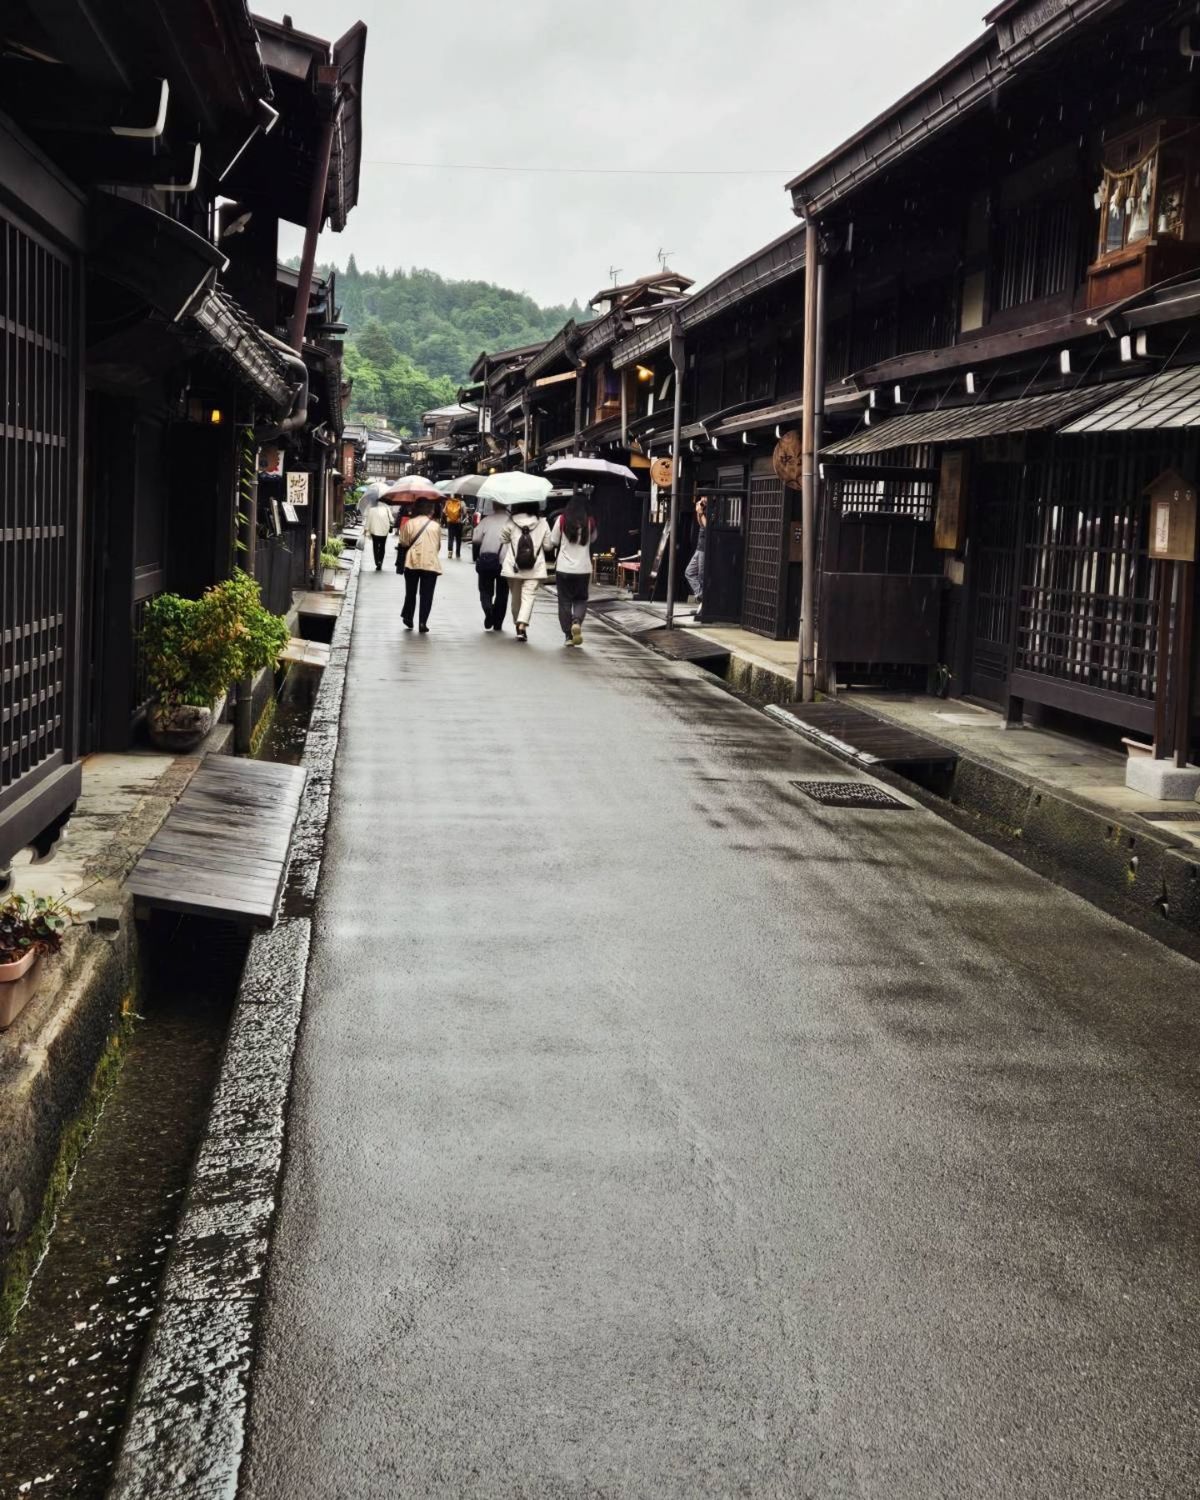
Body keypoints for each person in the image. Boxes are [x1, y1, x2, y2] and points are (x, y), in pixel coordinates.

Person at [500, 504, 552, 642]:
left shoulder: (511, 521)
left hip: (513, 567)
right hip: (535, 568)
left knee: (516, 598)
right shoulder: (542, 523)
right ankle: (522, 625)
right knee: (529, 596)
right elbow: (548, 546)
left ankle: (518, 624)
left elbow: (503, 539)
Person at [549, 496, 596, 647]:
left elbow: (553, 541)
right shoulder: (590, 522)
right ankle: (576, 620)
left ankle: (568, 636)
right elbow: (593, 539)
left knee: (564, 601)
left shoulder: (562, 520)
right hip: (583, 568)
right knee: (581, 599)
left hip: (563, 568)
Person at [397, 500, 442, 632]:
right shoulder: (436, 526)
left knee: (410, 592)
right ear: (430, 510)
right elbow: (438, 546)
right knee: (427, 594)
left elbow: (404, 543)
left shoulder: (409, 523)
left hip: (412, 562)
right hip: (430, 563)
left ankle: (408, 617)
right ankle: (423, 622)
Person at [473, 501, 510, 631]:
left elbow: (476, 538)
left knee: (485, 590)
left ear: (494, 506)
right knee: (502, 593)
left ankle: (488, 609)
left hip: (486, 560)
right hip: (505, 562)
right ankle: (498, 623)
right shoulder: (511, 522)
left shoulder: (486, 520)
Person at [685, 496, 707, 621]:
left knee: (701, 575)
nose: (703, 499)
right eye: (702, 497)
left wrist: (701, 513)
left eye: (704, 497)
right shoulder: (704, 508)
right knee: (689, 572)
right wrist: (699, 514)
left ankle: (704, 601)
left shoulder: (714, 509)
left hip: (705, 548)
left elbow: (708, 526)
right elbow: (701, 525)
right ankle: (701, 596)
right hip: (699, 547)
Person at [365, 494, 394, 570]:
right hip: (384, 531)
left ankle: (377, 561)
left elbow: (368, 521)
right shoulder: (387, 508)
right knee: (382, 546)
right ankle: (380, 561)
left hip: (374, 531)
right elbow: (392, 520)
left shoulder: (372, 510)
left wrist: (367, 530)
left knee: (375, 546)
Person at [443, 494, 465, 559]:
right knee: (458, 538)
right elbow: (464, 512)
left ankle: (450, 552)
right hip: (459, 523)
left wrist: (449, 516)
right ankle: (457, 553)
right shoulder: (462, 503)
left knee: (450, 537)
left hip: (450, 522)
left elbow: (444, 511)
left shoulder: (448, 502)